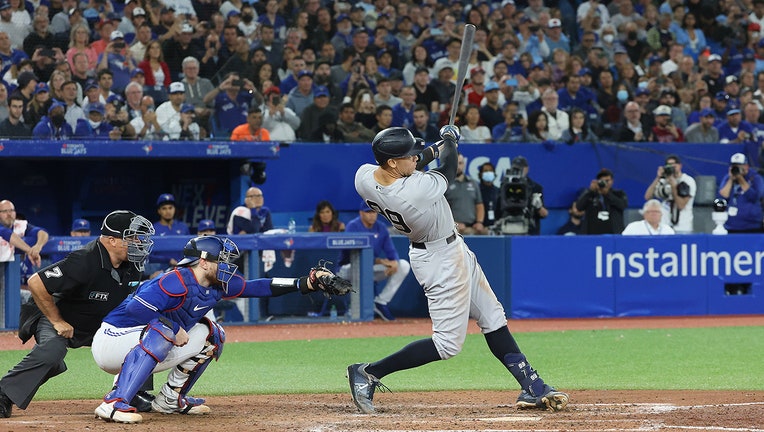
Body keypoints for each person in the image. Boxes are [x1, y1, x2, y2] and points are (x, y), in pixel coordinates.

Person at [348, 126, 568, 414]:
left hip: (452, 248)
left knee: (493, 316)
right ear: (391, 162)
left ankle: (532, 386)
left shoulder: (364, 175)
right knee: (447, 344)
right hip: (439, 260)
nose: (416, 157)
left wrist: (436, 147)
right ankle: (369, 372)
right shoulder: (413, 192)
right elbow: (449, 170)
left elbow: (411, 164)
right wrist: (450, 143)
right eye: (409, 154)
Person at [91, 235, 348, 423]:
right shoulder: (174, 280)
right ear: (203, 262)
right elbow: (136, 310)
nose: (227, 265)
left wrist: (305, 282)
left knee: (212, 334)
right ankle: (114, 403)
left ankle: (170, 400)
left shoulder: (217, 284)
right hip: (111, 341)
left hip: (141, 342)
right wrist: (169, 326)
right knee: (166, 331)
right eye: (221, 259)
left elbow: (259, 286)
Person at [0, 210, 154, 419]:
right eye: (131, 237)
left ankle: (132, 392)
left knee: (145, 336)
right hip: (60, 317)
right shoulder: (84, 260)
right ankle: (4, 394)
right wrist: (57, 320)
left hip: (100, 323)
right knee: (51, 353)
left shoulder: (134, 264)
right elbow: (36, 282)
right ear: (112, 240)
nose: (138, 242)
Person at [337, 201, 411, 321]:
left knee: (403, 265)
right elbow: (353, 255)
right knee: (360, 267)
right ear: (361, 213)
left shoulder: (381, 228)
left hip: (369, 270)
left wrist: (394, 262)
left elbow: (391, 251)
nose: (372, 215)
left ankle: (381, 302)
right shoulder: (353, 226)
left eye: (374, 212)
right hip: (347, 269)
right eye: (368, 212)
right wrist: (380, 262)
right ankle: (355, 309)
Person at [643, 155, 696, 234]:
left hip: (682, 226)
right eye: (669, 165)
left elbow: (681, 205)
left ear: (680, 166)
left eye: (674, 165)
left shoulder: (687, 181)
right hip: (664, 225)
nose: (672, 167)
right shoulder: (664, 181)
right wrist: (658, 177)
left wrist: (673, 185)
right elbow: (647, 196)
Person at [718, 153, 764, 233]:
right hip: (731, 225)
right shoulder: (728, 178)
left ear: (746, 166)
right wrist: (731, 180)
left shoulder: (756, 178)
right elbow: (722, 198)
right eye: (733, 165)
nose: (736, 168)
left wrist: (740, 179)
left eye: (739, 165)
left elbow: (755, 197)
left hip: (752, 226)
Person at [444, 153, 488, 235]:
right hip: (451, 228)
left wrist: (479, 222)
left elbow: (479, 205)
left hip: (472, 227)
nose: (458, 166)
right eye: (455, 163)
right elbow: (441, 209)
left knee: (486, 232)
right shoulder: (445, 184)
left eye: (460, 163)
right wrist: (454, 223)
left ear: (464, 164)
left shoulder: (473, 183)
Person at [575, 168, 628, 235]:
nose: (605, 183)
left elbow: (623, 205)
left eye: (607, 180)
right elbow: (578, 207)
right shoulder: (591, 194)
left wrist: (607, 194)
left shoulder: (619, 194)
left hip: (613, 235)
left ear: (612, 181)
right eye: (602, 181)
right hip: (592, 235)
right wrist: (590, 191)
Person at [150, 193, 189, 270]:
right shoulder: (153, 229)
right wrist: (168, 260)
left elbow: (191, 250)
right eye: (164, 208)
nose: (168, 211)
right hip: (160, 269)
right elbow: (148, 255)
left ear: (174, 209)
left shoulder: (183, 227)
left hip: (182, 268)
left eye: (170, 208)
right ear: (159, 211)